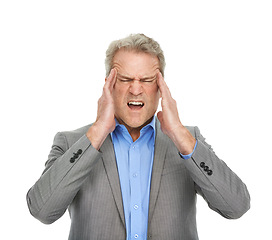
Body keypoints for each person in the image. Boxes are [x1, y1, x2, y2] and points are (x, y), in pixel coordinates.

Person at [27, 33, 250, 240]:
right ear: (109, 85)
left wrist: (181, 136)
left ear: (161, 86)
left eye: (146, 80)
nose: (135, 89)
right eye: (125, 79)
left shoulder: (189, 140)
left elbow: (236, 207)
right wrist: (97, 131)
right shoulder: (70, 142)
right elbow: (42, 211)